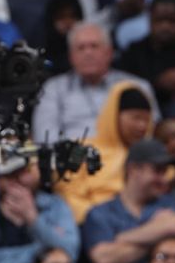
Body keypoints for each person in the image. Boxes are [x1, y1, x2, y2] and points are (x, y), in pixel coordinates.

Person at [32, 22, 156, 145]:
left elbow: (151, 134)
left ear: (109, 53)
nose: (88, 53)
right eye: (81, 48)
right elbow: (45, 138)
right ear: (71, 56)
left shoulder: (136, 87)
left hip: (125, 160)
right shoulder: (53, 89)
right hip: (73, 161)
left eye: (94, 46)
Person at [55, 81, 156, 224]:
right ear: (114, 115)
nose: (142, 126)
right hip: (92, 226)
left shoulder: (153, 156)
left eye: (147, 120)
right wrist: (102, 222)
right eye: (136, 118)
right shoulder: (79, 149)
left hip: (143, 225)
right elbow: (69, 195)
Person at [82, 139, 175, 263]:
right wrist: (157, 237)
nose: (164, 179)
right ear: (133, 169)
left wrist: (121, 238)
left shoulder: (168, 202)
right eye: (158, 171)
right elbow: (104, 259)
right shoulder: (100, 213)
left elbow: (174, 226)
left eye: (164, 172)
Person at [0, 151, 79, 263]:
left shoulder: (55, 205)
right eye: (10, 174)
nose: (18, 179)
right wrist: (40, 253)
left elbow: (68, 253)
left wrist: (32, 217)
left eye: (24, 171)